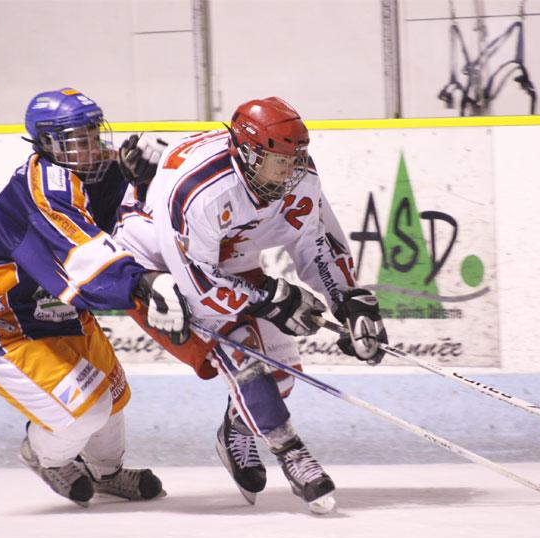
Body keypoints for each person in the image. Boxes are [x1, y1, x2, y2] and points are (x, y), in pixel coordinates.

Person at [112, 97, 388, 513]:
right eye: (281, 161)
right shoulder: (200, 193)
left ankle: (236, 428)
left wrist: (348, 302)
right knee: (241, 352)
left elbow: (315, 243)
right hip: (158, 265)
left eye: (297, 159)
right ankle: (292, 453)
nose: (292, 171)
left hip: (226, 252)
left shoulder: (298, 177)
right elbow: (200, 290)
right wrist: (273, 300)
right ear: (248, 154)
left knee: (282, 375)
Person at [0, 88, 190, 507]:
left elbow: (121, 212)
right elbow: (80, 249)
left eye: (93, 134)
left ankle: (107, 473)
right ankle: (45, 454)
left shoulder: (94, 168)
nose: (91, 147)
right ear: (47, 144)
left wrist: (148, 175)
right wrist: (141, 282)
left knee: (112, 395)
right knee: (86, 412)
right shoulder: (42, 190)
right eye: (78, 140)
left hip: (53, 306)